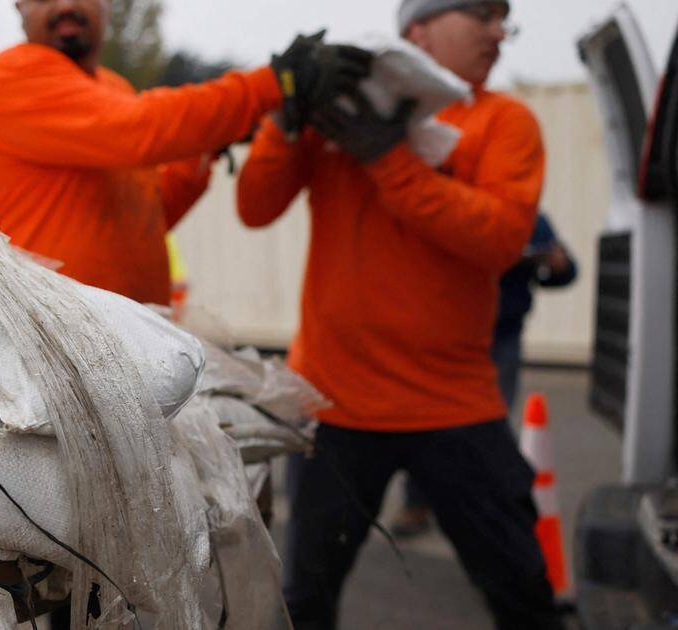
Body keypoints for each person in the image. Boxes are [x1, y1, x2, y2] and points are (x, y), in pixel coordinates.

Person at [236, 0, 564, 628]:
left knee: (524, 597)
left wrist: (388, 159)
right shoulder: (338, 111)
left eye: (505, 19)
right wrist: (285, 123)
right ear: (420, 28)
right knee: (305, 603)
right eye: (482, 14)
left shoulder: (503, 121)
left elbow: (499, 239)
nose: (499, 31)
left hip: (453, 405)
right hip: (337, 403)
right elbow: (255, 206)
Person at [0, 0, 371, 306]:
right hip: (30, 346)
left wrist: (203, 146)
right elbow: (143, 129)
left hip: (113, 346)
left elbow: (145, 219)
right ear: (19, 6)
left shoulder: (112, 88)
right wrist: (270, 85)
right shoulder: (13, 75)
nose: (65, 6)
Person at [394, 212, 579, 537]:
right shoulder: (452, 208)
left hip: (501, 338)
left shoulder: (528, 219)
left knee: (491, 425)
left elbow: (562, 272)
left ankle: (495, 511)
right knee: (428, 421)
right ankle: (418, 504)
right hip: (448, 336)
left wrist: (556, 265)